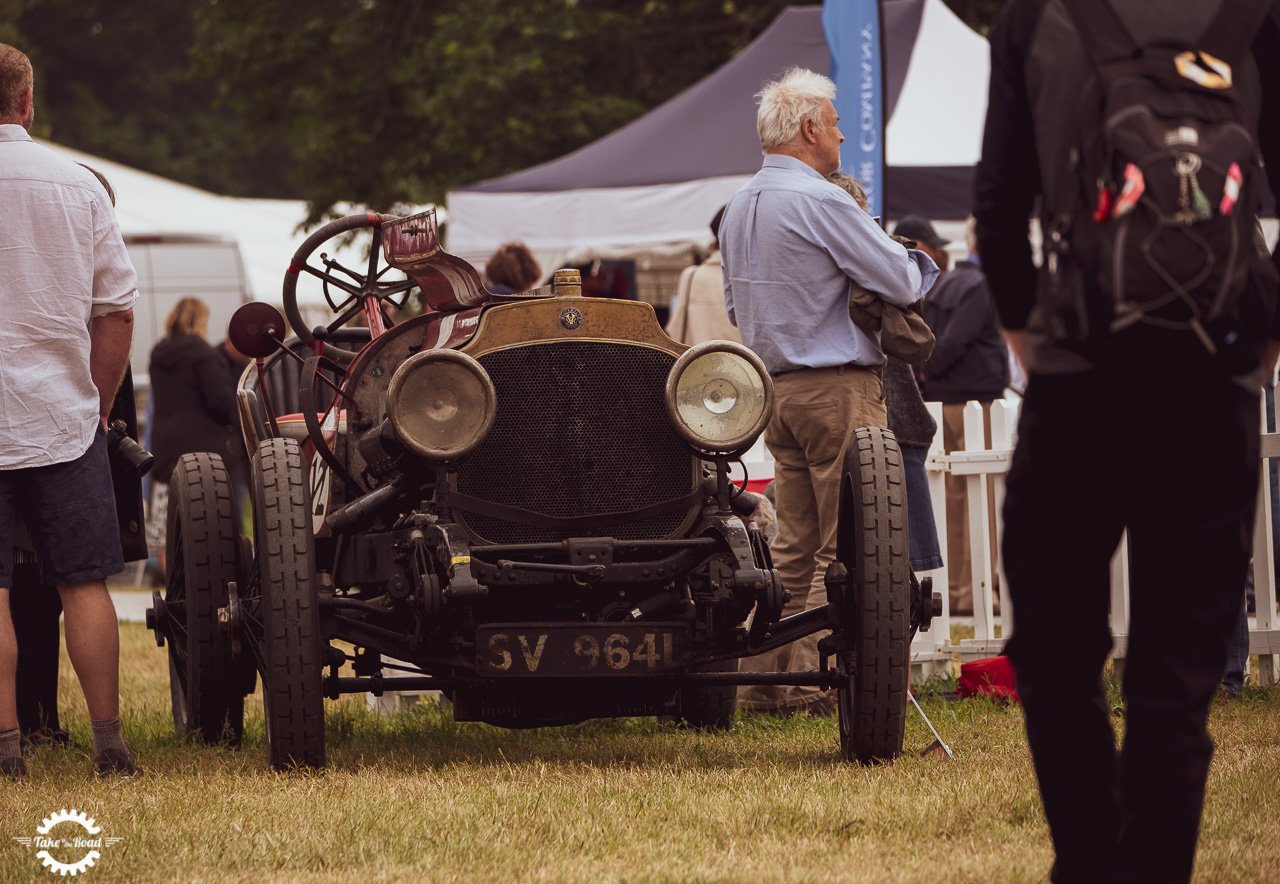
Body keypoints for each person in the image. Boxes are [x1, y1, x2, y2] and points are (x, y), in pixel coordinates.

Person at [974, 3, 1280, 882]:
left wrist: (1035, 337)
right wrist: (1261, 340)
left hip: (1080, 382)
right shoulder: (1254, 16)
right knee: (1177, 677)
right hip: (1212, 385)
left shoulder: (1036, 17)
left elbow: (999, 201)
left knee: (1056, 652)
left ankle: (1088, 861)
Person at [719, 66, 938, 715]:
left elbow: (735, 308)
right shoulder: (821, 200)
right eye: (836, 124)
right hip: (837, 389)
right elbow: (903, 281)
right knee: (847, 550)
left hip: (776, 394)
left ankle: (757, 687)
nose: (841, 137)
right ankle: (817, 688)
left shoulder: (737, 208)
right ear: (811, 128)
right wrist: (911, 259)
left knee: (789, 549)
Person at [0, 43, 142, 778]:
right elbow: (115, 312)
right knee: (83, 582)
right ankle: (109, 744)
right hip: (62, 415)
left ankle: (6, 751)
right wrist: (98, 404)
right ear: (28, 102)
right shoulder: (78, 186)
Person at [829, 173, 943, 575]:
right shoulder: (873, 256)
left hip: (886, 404)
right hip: (881, 409)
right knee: (877, 557)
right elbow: (912, 311)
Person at [914, 218, 1009, 615]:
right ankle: (975, 595)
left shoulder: (941, 284)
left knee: (952, 501)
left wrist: (926, 372)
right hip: (976, 403)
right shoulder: (978, 284)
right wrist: (928, 367)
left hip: (943, 403)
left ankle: (954, 591)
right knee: (982, 500)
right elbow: (955, 339)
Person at [147, 297, 238, 570]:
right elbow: (219, 402)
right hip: (203, 448)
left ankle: (174, 590)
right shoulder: (203, 353)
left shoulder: (157, 352)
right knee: (207, 521)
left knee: (167, 526)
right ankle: (202, 590)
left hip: (165, 446)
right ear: (200, 320)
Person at [665, 207, 741, 346]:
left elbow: (675, 331)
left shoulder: (692, 276)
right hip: (743, 366)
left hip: (701, 364)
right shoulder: (749, 279)